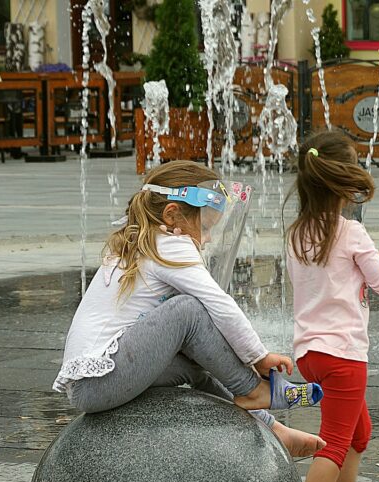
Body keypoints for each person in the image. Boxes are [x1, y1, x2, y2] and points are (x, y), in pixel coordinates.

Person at [53, 160, 325, 457]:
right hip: (100, 380)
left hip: (93, 387)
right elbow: (218, 302)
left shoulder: (146, 241)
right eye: (206, 227)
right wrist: (258, 356)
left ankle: (271, 428)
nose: (207, 239)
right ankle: (253, 389)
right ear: (173, 215)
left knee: (197, 365)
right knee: (188, 310)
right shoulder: (169, 242)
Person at [285, 130, 379, 482]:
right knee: (334, 440)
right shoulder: (350, 232)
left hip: (310, 353)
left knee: (358, 432)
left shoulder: (297, 232)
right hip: (343, 353)